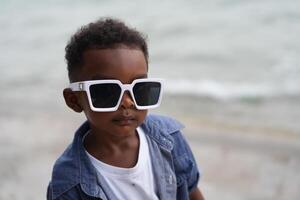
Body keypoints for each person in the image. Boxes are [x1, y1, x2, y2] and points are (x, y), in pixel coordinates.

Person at [47, 17, 205, 200]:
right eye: (107, 90)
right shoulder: (67, 184)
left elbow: (192, 192)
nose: (128, 102)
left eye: (139, 88)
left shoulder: (171, 138)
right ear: (74, 100)